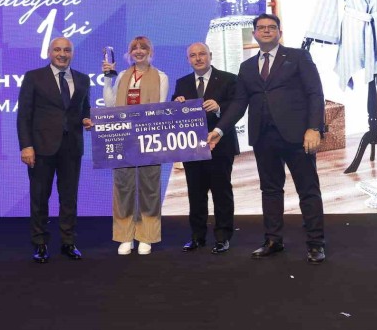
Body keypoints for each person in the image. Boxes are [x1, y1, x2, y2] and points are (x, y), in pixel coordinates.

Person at [208, 13, 327, 263]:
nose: (266, 31)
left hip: (298, 136)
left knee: (308, 190)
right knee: (270, 190)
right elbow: (239, 103)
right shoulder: (247, 67)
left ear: (279, 33)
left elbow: (315, 93)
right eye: (261, 28)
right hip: (264, 138)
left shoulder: (298, 57)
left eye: (271, 27)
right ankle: (273, 241)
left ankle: (316, 244)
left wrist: (314, 128)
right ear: (254, 34)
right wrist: (219, 130)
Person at [17, 36, 92, 263]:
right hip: (41, 149)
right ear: (50, 53)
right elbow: (24, 115)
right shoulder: (34, 77)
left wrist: (87, 119)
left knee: (69, 198)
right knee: (40, 198)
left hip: (72, 149)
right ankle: (40, 244)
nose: (62, 54)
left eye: (67, 50)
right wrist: (26, 146)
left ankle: (68, 242)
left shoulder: (83, 79)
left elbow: (84, 109)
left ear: (72, 53)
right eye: (58, 50)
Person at [102, 36, 169, 255]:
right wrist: (108, 79)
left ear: (150, 52)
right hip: (124, 138)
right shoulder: (122, 75)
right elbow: (110, 104)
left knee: (149, 186)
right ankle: (125, 236)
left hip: (149, 138)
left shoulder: (161, 77)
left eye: (143, 48)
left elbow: (160, 108)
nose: (139, 51)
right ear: (129, 53)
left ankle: (147, 235)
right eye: (134, 48)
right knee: (123, 187)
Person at [172, 42, 239, 254]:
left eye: (202, 54)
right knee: (195, 193)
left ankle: (222, 237)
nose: (198, 58)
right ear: (188, 60)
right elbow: (173, 113)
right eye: (193, 55)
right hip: (191, 147)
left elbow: (236, 108)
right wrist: (176, 104)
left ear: (210, 55)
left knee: (221, 192)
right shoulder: (182, 83)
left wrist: (219, 108)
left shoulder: (228, 79)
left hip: (220, 145)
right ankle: (197, 237)